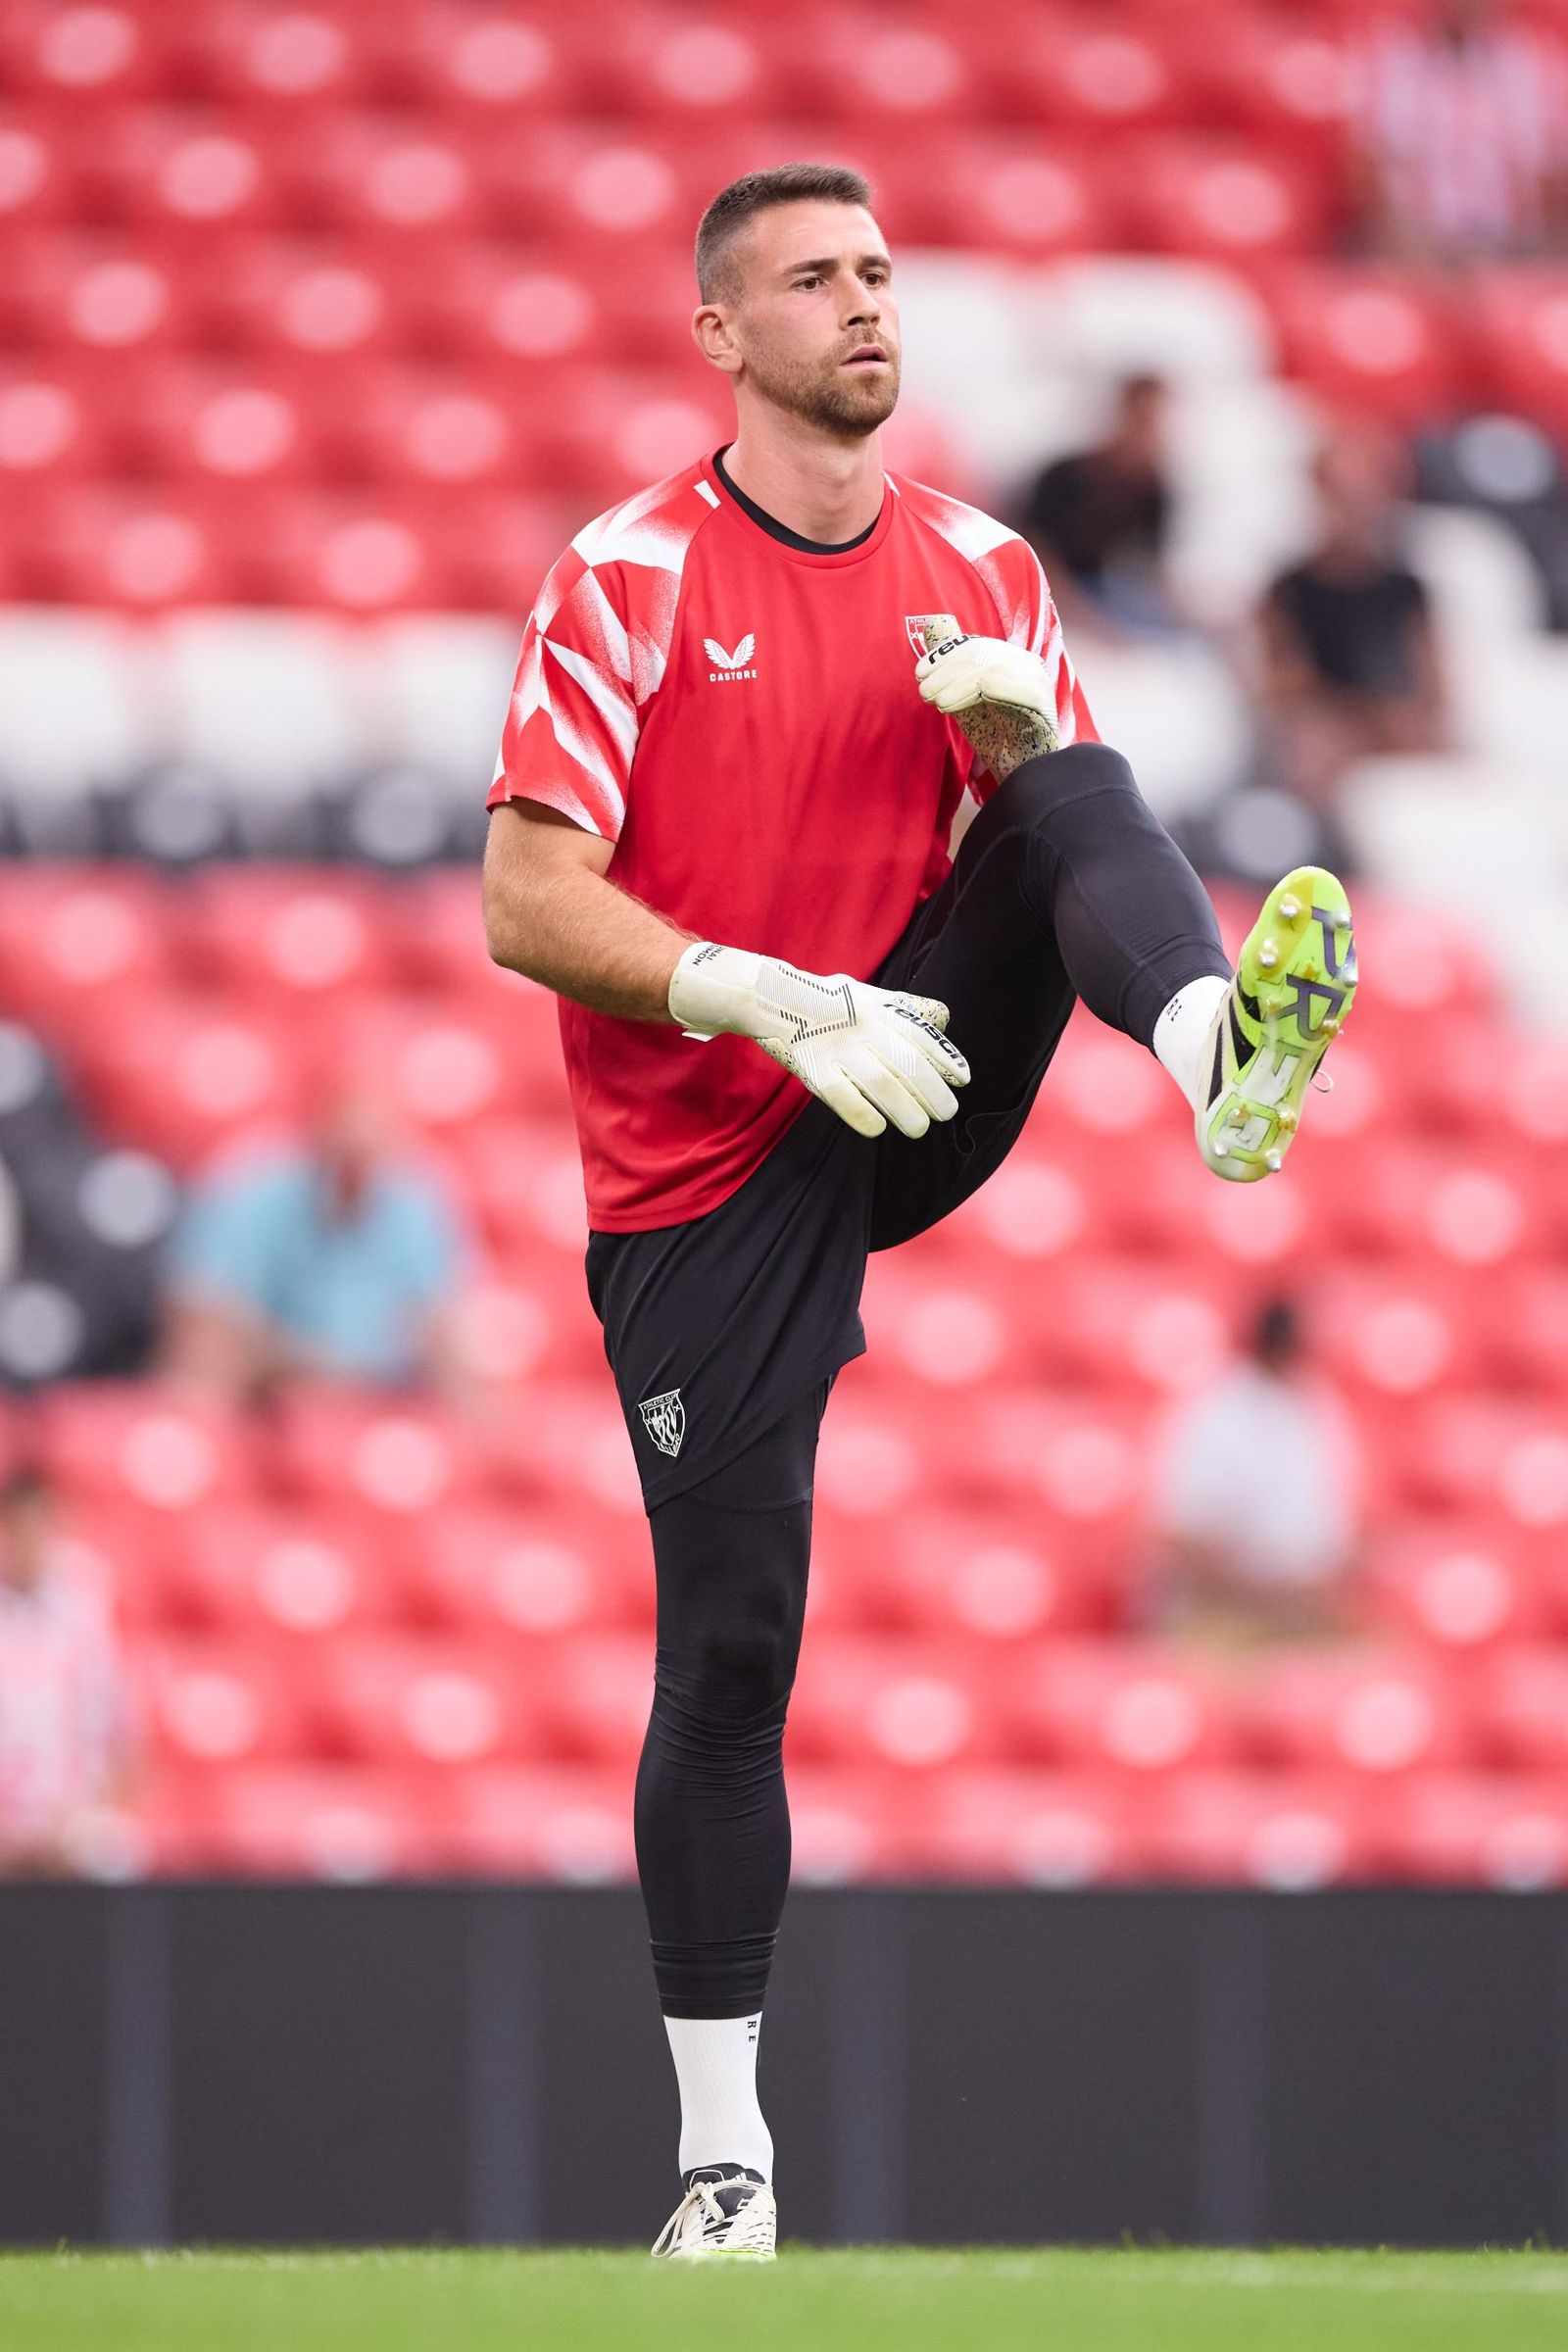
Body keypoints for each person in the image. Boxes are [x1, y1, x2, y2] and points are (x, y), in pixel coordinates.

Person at [481, 162, 1360, 2260]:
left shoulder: (975, 561)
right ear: (718, 335)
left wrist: (1001, 741)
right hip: (710, 1159)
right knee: (733, 1651)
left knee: (1065, 769)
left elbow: (1035, 845)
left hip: (904, 1066)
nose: (864, 302)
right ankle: (725, 2162)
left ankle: (1221, 1062)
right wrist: (745, 985)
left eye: (877, 269)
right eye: (810, 278)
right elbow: (523, 897)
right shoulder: (619, 576)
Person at [162, 1064, 467, 1404]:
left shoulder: (416, 1202)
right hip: (266, 1389)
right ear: (316, 1131)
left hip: (380, 1393)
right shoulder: (251, 1189)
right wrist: (310, 1368)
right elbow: (208, 1319)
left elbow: (444, 1325)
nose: (356, 1170)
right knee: (206, 1366)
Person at [1149, 1297, 1361, 1648]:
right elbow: (1180, 1539)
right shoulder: (1212, 1413)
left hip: (1300, 1609)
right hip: (1223, 1609)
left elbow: (1340, 1533)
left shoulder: (1315, 1405)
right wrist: (1265, 1597)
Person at [1255, 426, 1448, 810]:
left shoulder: (1408, 591)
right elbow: (1282, 685)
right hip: (1329, 734)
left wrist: (1401, 723)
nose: (1355, 509)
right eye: (1342, 495)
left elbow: (1435, 688)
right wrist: (1368, 718)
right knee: (1311, 746)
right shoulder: (1289, 589)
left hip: (1396, 731)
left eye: (1365, 495)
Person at [1351, 0, 1568, 269]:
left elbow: (1554, 180)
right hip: (1418, 246)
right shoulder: (1394, 59)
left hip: (1515, 246)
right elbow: (1371, 169)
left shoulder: (1537, 63)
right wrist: (1409, 242)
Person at [0, 1462, 133, 1874]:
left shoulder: (86, 1624)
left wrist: (74, 1818)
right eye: (18, 1529)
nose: (30, 1542)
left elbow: (127, 1751)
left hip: (68, 1825)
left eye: (39, 1528)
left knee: (111, 1852)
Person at [1013, 374, 1176, 636]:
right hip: (1053, 599)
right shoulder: (1063, 477)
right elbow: (1032, 555)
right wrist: (1088, 618)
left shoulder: (1154, 492)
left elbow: (1148, 571)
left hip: (1108, 601)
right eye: (1144, 421)